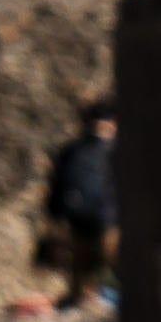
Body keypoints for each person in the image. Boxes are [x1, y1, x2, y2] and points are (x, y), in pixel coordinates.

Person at [46, 99, 120, 311]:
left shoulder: (72, 150)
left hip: (80, 222)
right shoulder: (117, 150)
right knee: (110, 271)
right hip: (108, 221)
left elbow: (57, 186)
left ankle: (84, 306)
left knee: (83, 277)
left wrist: (55, 217)